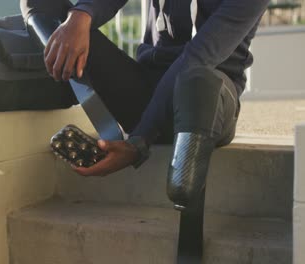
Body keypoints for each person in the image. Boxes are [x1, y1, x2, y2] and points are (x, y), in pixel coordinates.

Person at [21, 0, 269, 209]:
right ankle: (74, 85)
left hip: (207, 103)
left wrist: (138, 140)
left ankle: (185, 195)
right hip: (144, 94)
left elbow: (198, 57)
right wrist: (81, 15)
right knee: (43, 3)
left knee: (197, 79)